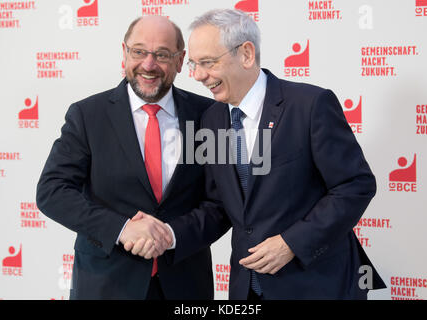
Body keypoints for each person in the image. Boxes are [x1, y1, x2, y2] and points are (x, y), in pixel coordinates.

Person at [131, 8, 387, 300]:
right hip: (248, 289)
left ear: (247, 54)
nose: (199, 75)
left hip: (318, 286)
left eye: (208, 62)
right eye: (194, 64)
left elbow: (355, 186)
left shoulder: (311, 105)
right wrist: (169, 235)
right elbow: (218, 205)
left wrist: (291, 243)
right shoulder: (211, 119)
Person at [36, 16, 218, 300]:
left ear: (181, 61)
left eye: (161, 54)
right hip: (106, 285)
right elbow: (52, 192)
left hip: (186, 285)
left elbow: (220, 202)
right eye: (139, 52)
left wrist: (171, 234)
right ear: (124, 53)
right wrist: (122, 229)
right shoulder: (87, 115)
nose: (148, 64)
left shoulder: (208, 116)